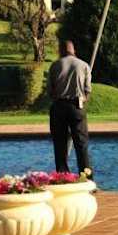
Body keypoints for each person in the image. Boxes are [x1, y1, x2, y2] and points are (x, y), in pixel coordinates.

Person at [48, 39, 93, 177]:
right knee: (81, 144)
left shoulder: (55, 66)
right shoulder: (84, 65)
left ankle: (63, 177)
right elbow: (87, 91)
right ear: (74, 50)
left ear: (61, 50)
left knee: (60, 144)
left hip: (59, 106)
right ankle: (86, 177)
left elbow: (50, 91)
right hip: (77, 106)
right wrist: (82, 100)